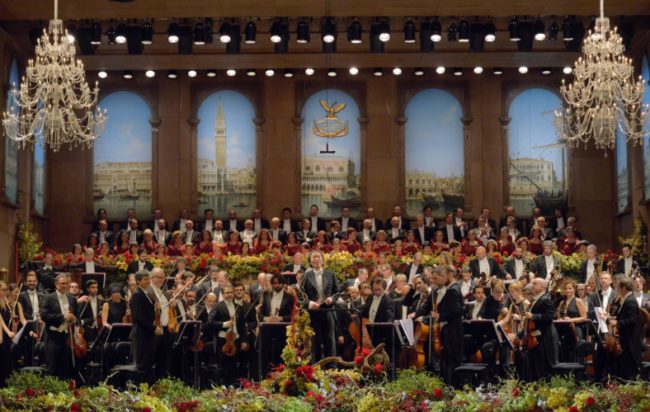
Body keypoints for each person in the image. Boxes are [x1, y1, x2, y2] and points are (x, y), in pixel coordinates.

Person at [413, 267, 464, 385]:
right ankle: (448, 386)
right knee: (446, 361)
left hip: (453, 332)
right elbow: (427, 307)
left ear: (445, 277)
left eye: (436, 278)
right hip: (446, 331)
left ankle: (454, 387)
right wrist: (415, 314)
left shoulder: (452, 290)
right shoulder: (440, 291)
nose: (433, 281)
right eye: (432, 278)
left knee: (452, 362)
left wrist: (439, 316)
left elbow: (457, 311)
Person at [40, 273, 79, 380]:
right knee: (52, 367)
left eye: (67, 283)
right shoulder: (48, 297)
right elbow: (44, 316)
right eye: (62, 283)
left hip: (67, 337)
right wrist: (63, 317)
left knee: (65, 367)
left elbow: (78, 317)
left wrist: (75, 319)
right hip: (53, 336)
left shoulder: (72, 299)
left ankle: (64, 394)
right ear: (56, 285)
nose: (65, 286)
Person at [302, 250, 339, 361]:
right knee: (315, 342)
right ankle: (315, 368)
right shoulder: (306, 275)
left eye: (318, 257)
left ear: (323, 260)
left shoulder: (330, 274)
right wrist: (309, 303)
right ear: (310, 261)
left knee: (330, 341)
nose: (316, 259)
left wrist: (331, 299)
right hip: (314, 312)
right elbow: (301, 295)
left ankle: (332, 368)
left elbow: (337, 292)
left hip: (328, 311)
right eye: (314, 257)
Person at [258, 274, 294, 375]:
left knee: (281, 352)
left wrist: (281, 318)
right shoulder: (266, 295)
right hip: (267, 328)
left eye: (279, 283)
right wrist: (265, 318)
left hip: (282, 329)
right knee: (266, 352)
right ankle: (266, 374)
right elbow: (260, 313)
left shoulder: (289, 297)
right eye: (274, 284)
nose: (277, 286)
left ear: (283, 284)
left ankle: (281, 374)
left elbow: (292, 315)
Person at [523, 278, 558, 381]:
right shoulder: (537, 299)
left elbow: (549, 317)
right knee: (538, 365)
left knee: (545, 365)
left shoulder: (546, 299)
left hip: (545, 337)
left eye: (535, 284)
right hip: (538, 337)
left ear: (542, 287)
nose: (531, 285)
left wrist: (533, 316)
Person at [213, 284, 248, 385]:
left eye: (231, 293)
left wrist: (244, 340)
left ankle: (232, 385)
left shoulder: (239, 307)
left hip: (236, 339)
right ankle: (222, 386)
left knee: (233, 364)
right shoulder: (218, 306)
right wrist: (224, 324)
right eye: (227, 293)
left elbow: (242, 326)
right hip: (223, 340)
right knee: (223, 365)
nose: (229, 295)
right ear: (223, 294)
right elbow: (210, 322)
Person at [611, 276, 642, 380]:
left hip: (630, 342)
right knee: (624, 369)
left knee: (629, 371)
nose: (616, 289)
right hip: (625, 340)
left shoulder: (630, 300)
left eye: (618, 287)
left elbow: (633, 320)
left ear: (624, 288)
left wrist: (617, 323)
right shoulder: (626, 299)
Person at [129, 271, 156, 381]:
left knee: (148, 362)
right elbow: (137, 317)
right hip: (141, 333)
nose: (148, 281)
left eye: (148, 279)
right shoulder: (137, 295)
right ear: (138, 281)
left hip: (147, 333)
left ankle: (147, 389)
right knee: (142, 364)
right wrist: (153, 327)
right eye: (145, 279)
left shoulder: (146, 293)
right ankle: (141, 391)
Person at [362, 278, 394, 346]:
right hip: (367, 329)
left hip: (379, 332)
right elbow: (365, 312)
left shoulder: (388, 301)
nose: (376, 292)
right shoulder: (370, 297)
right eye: (375, 290)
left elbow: (390, 317)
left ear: (384, 288)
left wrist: (388, 323)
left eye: (379, 289)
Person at [0, 281, 15, 385]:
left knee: (6, 360)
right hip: (2, 334)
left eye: (6, 290)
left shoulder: (5, 301)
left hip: (7, 335)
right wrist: (1, 334)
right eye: (3, 290)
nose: (5, 292)